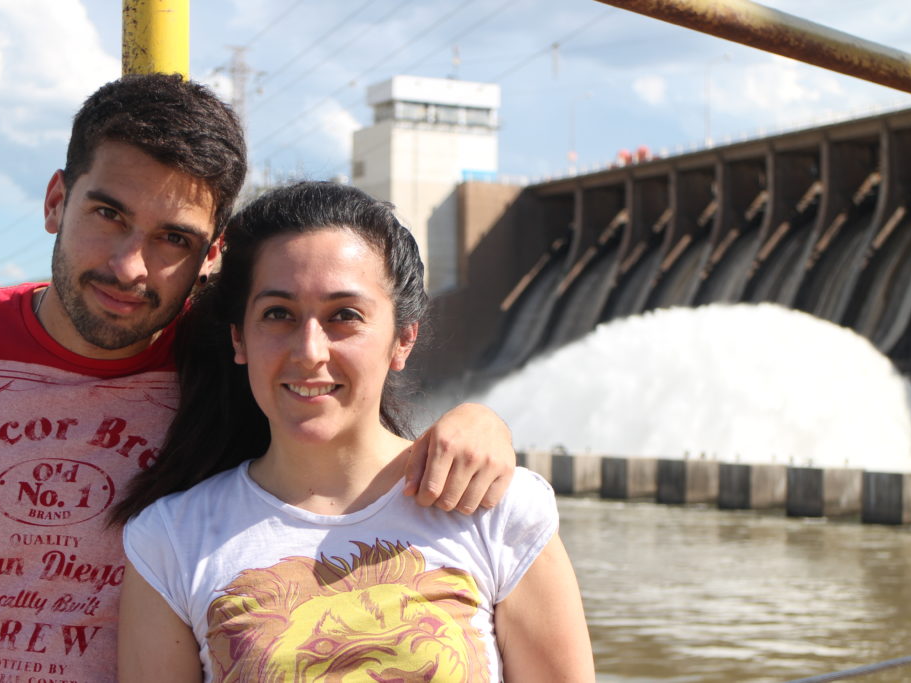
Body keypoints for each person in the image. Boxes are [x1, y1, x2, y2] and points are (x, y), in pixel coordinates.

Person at [0, 75, 517, 682]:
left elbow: (353, 447)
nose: (130, 266)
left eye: (173, 238)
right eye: (108, 214)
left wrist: (480, 423)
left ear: (212, 254)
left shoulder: (240, 360)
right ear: (55, 201)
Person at [117, 181, 594, 682]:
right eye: (278, 314)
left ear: (403, 338)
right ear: (239, 338)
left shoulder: (495, 507)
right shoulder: (170, 539)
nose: (310, 352)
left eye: (344, 316)